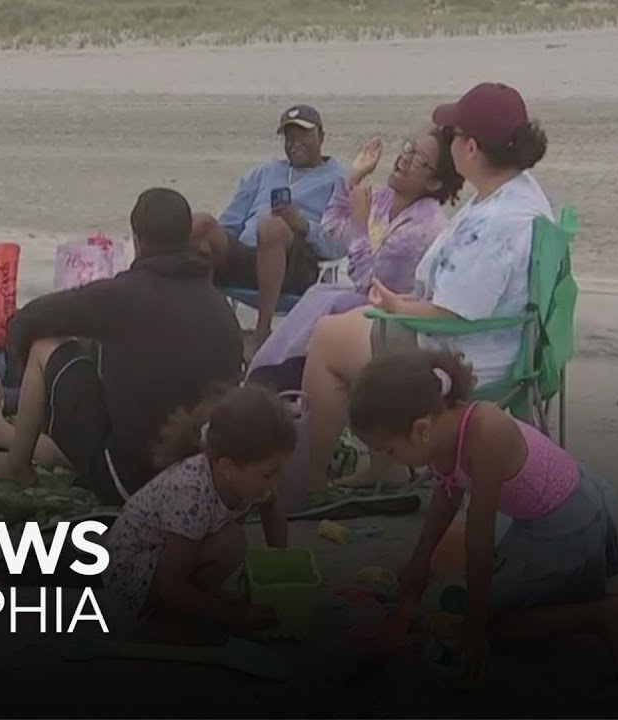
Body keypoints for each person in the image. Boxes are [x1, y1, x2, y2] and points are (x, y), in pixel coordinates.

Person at [348, 348, 618, 681]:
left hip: (567, 524)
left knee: (496, 627)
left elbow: (479, 538)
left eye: (388, 450)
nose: (389, 459)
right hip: (535, 520)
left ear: (420, 429)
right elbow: (447, 492)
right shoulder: (439, 432)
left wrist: (476, 624)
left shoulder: (485, 432)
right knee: (498, 598)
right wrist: (420, 558)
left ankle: (601, 614)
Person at [298, 82, 554, 505]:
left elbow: (454, 313)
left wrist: (398, 307)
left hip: (468, 354)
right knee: (343, 322)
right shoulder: (517, 192)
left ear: (470, 148)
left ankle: (313, 485)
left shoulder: (495, 223)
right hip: (492, 340)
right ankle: (386, 464)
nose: (447, 141)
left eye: (452, 135)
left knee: (327, 338)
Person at [0, 187, 244, 506]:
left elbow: (29, 319)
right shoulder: (221, 306)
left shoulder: (120, 296)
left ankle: (15, 465)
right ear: (187, 236)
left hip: (130, 481)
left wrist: (17, 366)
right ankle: (3, 433)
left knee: (46, 345)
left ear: (137, 240)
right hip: (200, 479)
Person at [245, 128, 464, 488]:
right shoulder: (384, 201)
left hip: (394, 317)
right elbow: (333, 232)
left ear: (435, 181)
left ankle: (303, 448)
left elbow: (370, 283)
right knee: (324, 299)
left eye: (418, 159)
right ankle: (277, 383)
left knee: (330, 310)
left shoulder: (423, 227)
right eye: (407, 147)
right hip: (371, 308)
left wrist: (361, 225)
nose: (404, 157)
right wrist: (353, 180)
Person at [101, 384, 295, 643]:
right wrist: (231, 616)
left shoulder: (246, 477)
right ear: (226, 467)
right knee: (231, 544)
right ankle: (161, 615)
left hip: (168, 554)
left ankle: (194, 602)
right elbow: (171, 583)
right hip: (129, 571)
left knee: (229, 542)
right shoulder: (191, 494)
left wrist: (279, 569)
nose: (277, 480)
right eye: (269, 473)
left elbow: (272, 504)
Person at [191, 104, 345, 353]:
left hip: (297, 263)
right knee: (200, 225)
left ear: (321, 136)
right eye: (289, 136)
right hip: (251, 255)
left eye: (304, 135)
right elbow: (229, 223)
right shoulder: (266, 171)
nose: (295, 142)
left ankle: (262, 332)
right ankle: (199, 318)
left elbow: (340, 245)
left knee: (272, 226)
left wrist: (302, 224)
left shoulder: (338, 178)